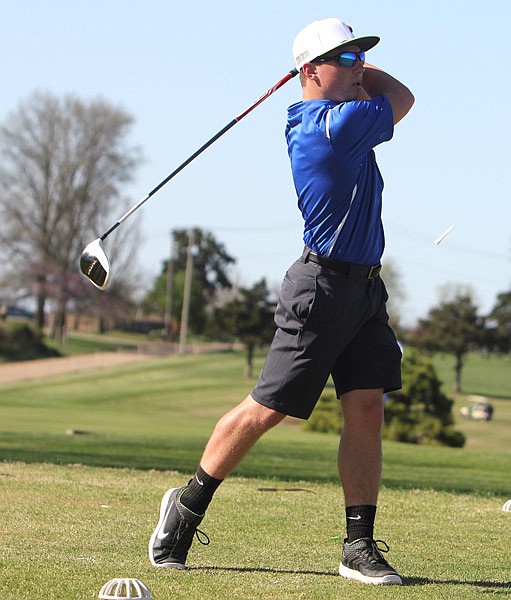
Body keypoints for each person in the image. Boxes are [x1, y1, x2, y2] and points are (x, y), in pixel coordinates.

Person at [149, 17, 414, 586]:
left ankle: (358, 546)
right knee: (267, 409)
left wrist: (351, 71)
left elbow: (380, 91)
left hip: (365, 288)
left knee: (366, 409)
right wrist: (366, 78)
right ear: (310, 71)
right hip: (320, 290)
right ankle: (186, 507)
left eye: (361, 58)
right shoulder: (335, 126)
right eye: (344, 59)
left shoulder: (333, 113)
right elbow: (404, 96)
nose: (359, 67)